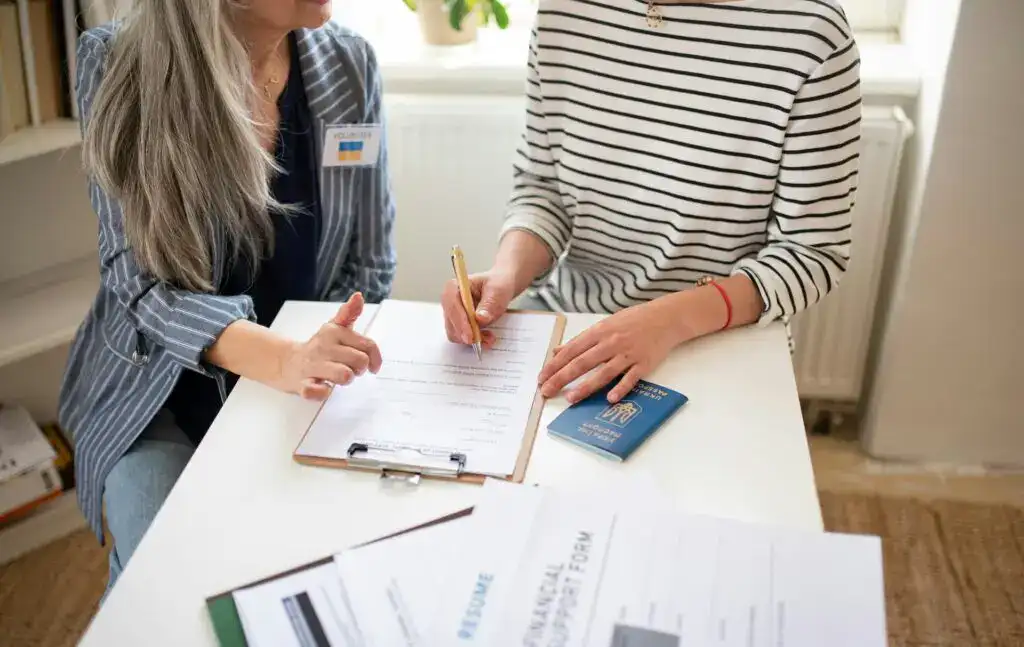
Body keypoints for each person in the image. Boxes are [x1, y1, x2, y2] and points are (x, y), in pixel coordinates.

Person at [59, 0, 394, 593]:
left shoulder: (349, 63)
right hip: (156, 390)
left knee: (321, 570)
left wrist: (322, 358)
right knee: (170, 585)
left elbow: (369, 257)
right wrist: (281, 360)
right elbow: (135, 281)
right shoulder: (119, 62)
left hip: (298, 386)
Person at [442, 0, 860, 404]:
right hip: (577, 326)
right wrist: (507, 273)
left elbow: (811, 253)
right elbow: (544, 186)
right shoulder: (564, 9)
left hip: (721, 342)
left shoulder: (811, 31)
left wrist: (668, 320)